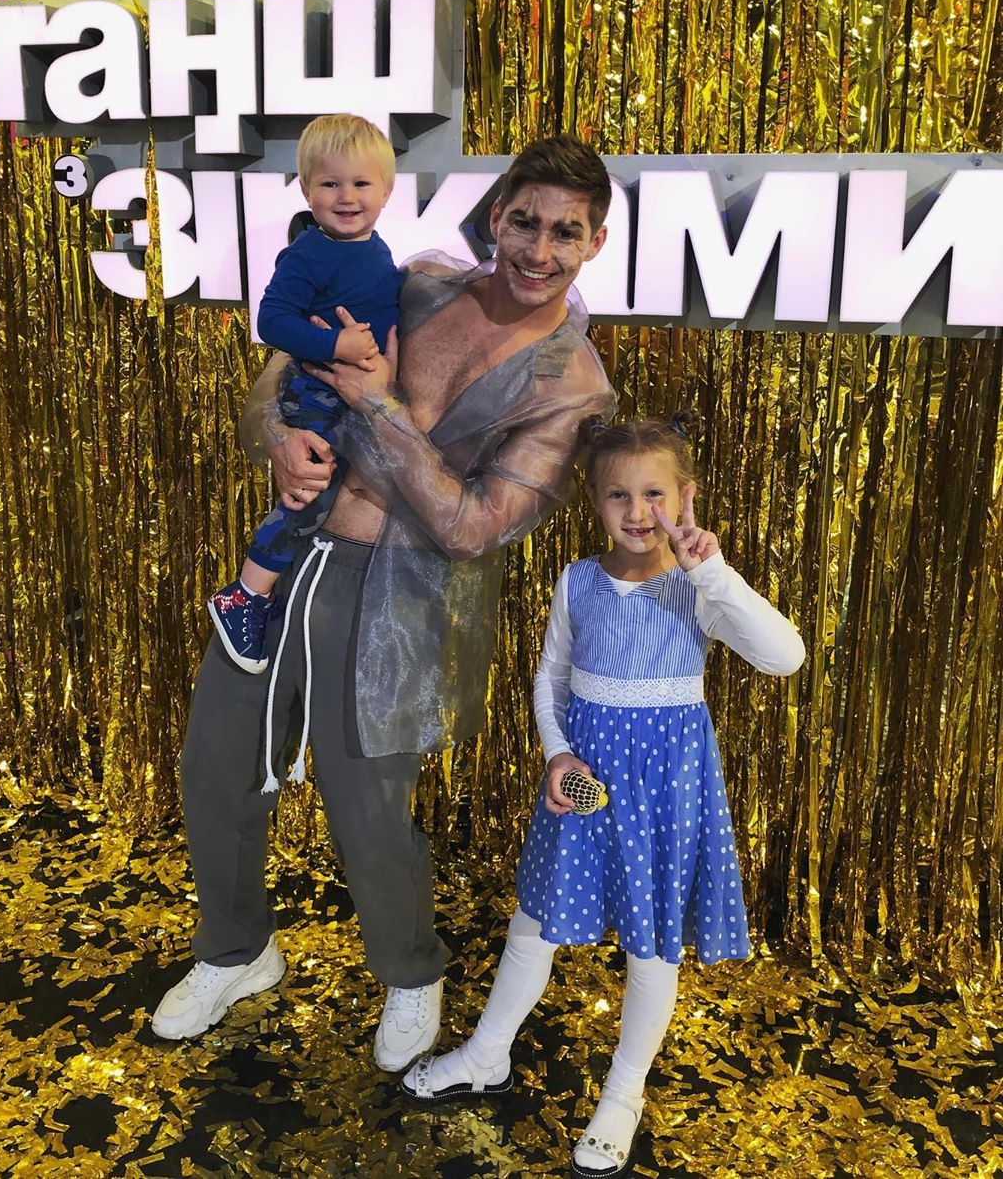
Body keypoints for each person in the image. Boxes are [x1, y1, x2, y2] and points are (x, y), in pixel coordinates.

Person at [151, 135, 618, 1075]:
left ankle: (410, 972)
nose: (538, 249)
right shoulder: (418, 285)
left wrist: (376, 407)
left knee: (367, 810)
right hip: (285, 562)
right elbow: (284, 371)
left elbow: (474, 527)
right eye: (524, 222)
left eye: (565, 232)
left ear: (594, 243)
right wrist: (277, 436)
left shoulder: (571, 384)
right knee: (216, 766)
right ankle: (236, 952)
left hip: (399, 601)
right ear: (495, 218)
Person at [401, 417, 805, 1177]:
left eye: (655, 494)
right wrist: (557, 754)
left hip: (664, 790)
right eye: (618, 494)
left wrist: (714, 572)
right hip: (583, 782)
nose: (637, 511)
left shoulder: (699, 588)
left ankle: (623, 1095)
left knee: (651, 944)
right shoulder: (577, 581)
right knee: (533, 923)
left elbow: (786, 656)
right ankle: (487, 1053)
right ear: (593, 499)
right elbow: (551, 678)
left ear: (684, 498)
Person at [207, 112, 401, 674]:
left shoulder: (373, 247)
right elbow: (271, 320)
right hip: (316, 392)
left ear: (387, 191)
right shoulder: (310, 253)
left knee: (341, 490)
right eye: (330, 184)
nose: (347, 197)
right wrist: (337, 344)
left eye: (360, 183)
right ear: (307, 192)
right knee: (308, 494)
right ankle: (246, 593)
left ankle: (276, 588)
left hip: (352, 394)